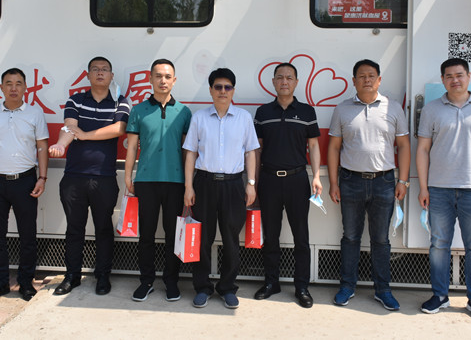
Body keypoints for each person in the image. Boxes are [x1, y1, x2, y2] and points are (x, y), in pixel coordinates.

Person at [416, 57, 471, 323]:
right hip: (438, 189)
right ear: (443, 79)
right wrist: (423, 187)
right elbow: (422, 149)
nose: (455, 80)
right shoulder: (431, 109)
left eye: (459, 75)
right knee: (438, 245)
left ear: (468, 76)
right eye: (449, 76)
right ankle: (440, 296)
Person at [327, 59, 410, 311]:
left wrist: (403, 180)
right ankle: (347, 286)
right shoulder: (342, 109)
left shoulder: (393, 108)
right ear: (353, 81)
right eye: (361, 76)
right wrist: (333, 182)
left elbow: (404, 145)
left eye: (371, 75)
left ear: (379, 80)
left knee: (380, 240)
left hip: (384, 182)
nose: (367, 79)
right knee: (350, 237)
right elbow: (334, 147)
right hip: (350, 181)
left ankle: (383, 290)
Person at [49, 56, 130, 296]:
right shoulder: (76, 100)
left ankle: (102, 276)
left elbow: (119, 128)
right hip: (74, 177)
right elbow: (69, 127)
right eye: (95, 69)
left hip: (104, 177)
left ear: (112, 76)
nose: (100, 73)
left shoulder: (121, 102)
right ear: (88, 75)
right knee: (74, 229)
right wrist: (62, 144)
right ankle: (72, 276)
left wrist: (85, 135)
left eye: (105, 69)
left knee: (103, 228)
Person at [182, 68, 260, 309]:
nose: (223, 91)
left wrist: (251, 184)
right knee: (202, 239)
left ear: (233, 91)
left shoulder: (244, 118)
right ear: (210, 90)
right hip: (204, 183)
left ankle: (227, 288)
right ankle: (202, 287)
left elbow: (251, 152)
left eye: (227, 87)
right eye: (218, 87)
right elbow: (190, 153)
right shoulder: (199, 118)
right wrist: (188, 187)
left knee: (231, 239)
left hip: (234, 185)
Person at [0, 68, 49, 303]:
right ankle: (0, 283)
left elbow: (42, 146)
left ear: (25, 87)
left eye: (18, 83)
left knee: (28, 235)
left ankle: (25, 282)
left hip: (25, 181)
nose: (13, 88)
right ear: (1, 88)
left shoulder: (35, 114)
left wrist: (42, 177)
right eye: (9, 83)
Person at [253, 62, 322, 308]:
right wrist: (254, 182)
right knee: (271, 235)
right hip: (269, 179)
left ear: (296, 82)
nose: (284, 81)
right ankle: (271, 282)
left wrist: (316, 176)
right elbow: (257, 149)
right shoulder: (263, 112)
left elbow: (313, 146)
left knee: (301, 236)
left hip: (297, 179)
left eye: (289, 77)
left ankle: (301, 286)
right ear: (273, 82)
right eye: (280, 77)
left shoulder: (307, 111)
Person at [124, 59, 192, 302]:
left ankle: (171, 281)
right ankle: (146, 281)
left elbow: (188, 151)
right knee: (147, 234)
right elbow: (132, 147)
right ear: (151, 79)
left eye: (167, 76)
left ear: (174, 80)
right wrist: (128, 176)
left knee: (174, 234)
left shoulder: (184, 112)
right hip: (146, 181)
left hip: (175, 182)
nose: (163, 80)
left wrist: (188, 183)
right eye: (158, 76)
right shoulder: (138, 110)